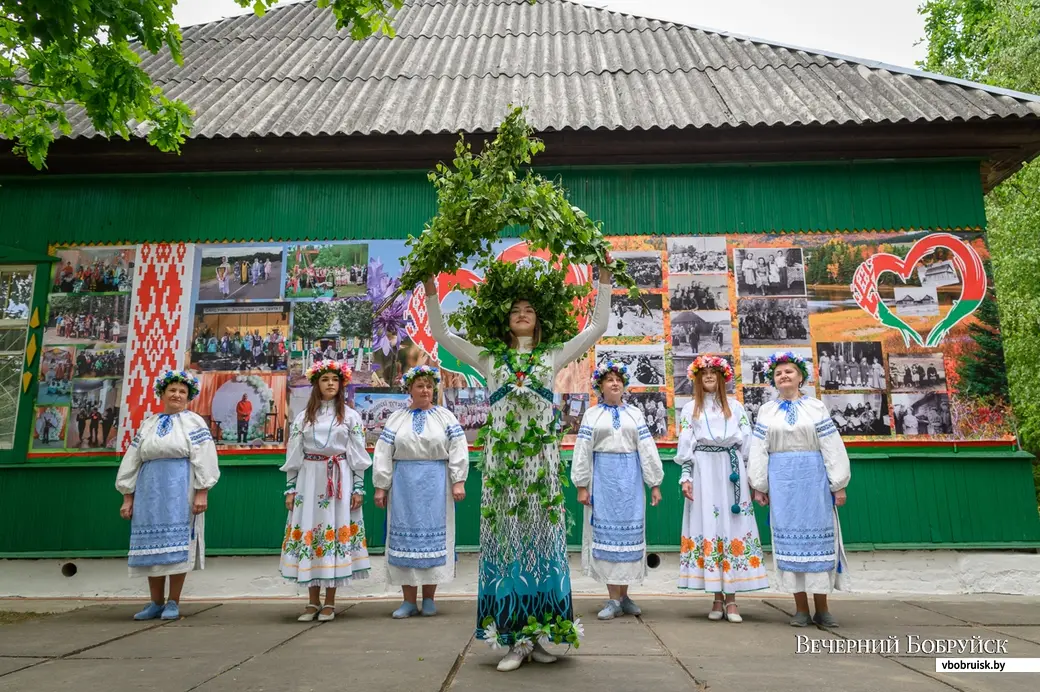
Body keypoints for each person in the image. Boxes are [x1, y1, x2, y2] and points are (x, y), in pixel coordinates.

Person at [423, 260, 612, 673]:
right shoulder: (489, 358)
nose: (522, 313)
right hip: (503, 468)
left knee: (543, 548)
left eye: (529, 309)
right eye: (515, 310)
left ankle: (539, 635)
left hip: (541, 469)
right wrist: (430, 288)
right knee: (508, 546)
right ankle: (513, 640)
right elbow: (441, 334)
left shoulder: (552, 355)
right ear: (506, 322)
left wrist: (604, 280)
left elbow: (596, 327)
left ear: (539, 319)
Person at [748, 352, 851, 627]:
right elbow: (759, 450)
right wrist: (759, 485)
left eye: (789, 372)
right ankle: (801, 609)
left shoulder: (816, 407)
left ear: (800, 377)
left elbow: (831, 445)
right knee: (788, 543)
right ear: (773, 379)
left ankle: (823, 607)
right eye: (779, 373)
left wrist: (838, 483)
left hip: (813, 480)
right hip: (782, 482)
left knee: (819, 541)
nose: (784, 376)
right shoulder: (766, 411)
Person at [115, 370, 219, 620]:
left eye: (182, 391)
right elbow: (133, 459)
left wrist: (202, 491)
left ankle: (173, 601)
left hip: (179, 485)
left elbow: (205, 456)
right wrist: (127, 495)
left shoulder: (194, 422)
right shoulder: (149, 423)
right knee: (152, 547)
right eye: (172, 390)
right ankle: (155, 602)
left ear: (189, 397)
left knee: (178, 543)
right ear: (162, 393)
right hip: (149, 489)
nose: (177, 395)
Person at [676, 356, 768, 621]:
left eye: (713, 372)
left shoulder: (736, 408)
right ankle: (716, 598)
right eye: (703, 372)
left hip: (732, 469)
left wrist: (753, 481)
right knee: (709, 526)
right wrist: (686, 477)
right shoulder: (690, 409)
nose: (708, 376)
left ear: (721, 377)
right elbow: (686, 444)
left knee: (733, 525)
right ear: (696, 378)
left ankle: (732, 601)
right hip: (704, 469)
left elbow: (749, 444)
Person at [373, 366, 469, 619]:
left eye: (428, 386)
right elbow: (383, 452)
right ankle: (407, 600)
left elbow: (459, 448)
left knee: (434, 541)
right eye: (420, 386)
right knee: (404, 540)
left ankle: (429, 598)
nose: (425, 390)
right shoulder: (397, 418)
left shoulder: (445, 417)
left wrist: (458, 481)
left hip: (436, 482)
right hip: (404, 484)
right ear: (410, 390)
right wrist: (381, 486)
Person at [280, 360, 371, 622]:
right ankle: (311, 602)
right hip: (309, 478)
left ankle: (330, 602)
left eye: (334, 379)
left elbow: (357, 455)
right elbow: (294, 453)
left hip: (339, 477)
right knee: (310, 528)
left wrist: (358, 487)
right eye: (325, 379)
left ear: (341, 384)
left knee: (333, 530)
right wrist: (290, 488)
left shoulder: (351, 416)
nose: (330, 384)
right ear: (316, 384)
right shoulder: (303, 417)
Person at [572, 361, 663, 620]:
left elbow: (646, 449)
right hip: (603, 479)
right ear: (600, 386)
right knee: (606, 539)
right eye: (609, 379)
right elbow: (582, 452)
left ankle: (624, 596)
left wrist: (654, 483)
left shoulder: (634, 414)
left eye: (618, 380)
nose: (614, 383)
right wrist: (581, 485)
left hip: (631, 480)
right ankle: (612, 599)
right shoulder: (592, 415)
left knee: (630, 539)